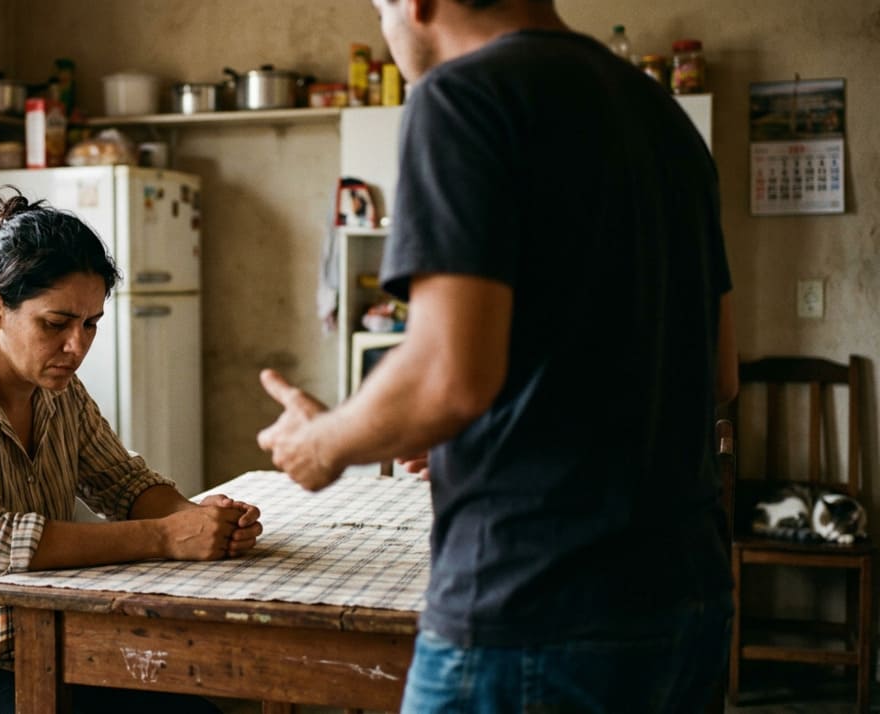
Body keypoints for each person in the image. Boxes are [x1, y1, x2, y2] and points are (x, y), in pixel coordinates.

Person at [257, 1, 738, 712]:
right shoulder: (663, 117)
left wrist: (322, 444)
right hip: (684, 600)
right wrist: (468, 441)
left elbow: (446, 377)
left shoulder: (461, 96)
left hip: (538, 604)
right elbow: (718, 372)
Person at [0, 195, 262, 713]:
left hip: (24, 657)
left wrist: (196, 518)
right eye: (55, 324)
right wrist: (167, 536)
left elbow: (123, 483)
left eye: (90, 324)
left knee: (189, 710)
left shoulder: (59, 391)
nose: (76, 347)